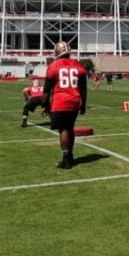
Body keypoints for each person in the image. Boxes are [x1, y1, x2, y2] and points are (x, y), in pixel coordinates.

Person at [43, 41, 87, 169]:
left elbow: (46, 89)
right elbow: (83, 89)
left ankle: (66, 159)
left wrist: (45, 105)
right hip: (74, 101)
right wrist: (83, 104)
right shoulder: (78, 65)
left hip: (60, 101)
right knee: (69, 127)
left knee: (63, 129)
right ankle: (70, 155)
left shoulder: (53, 66)